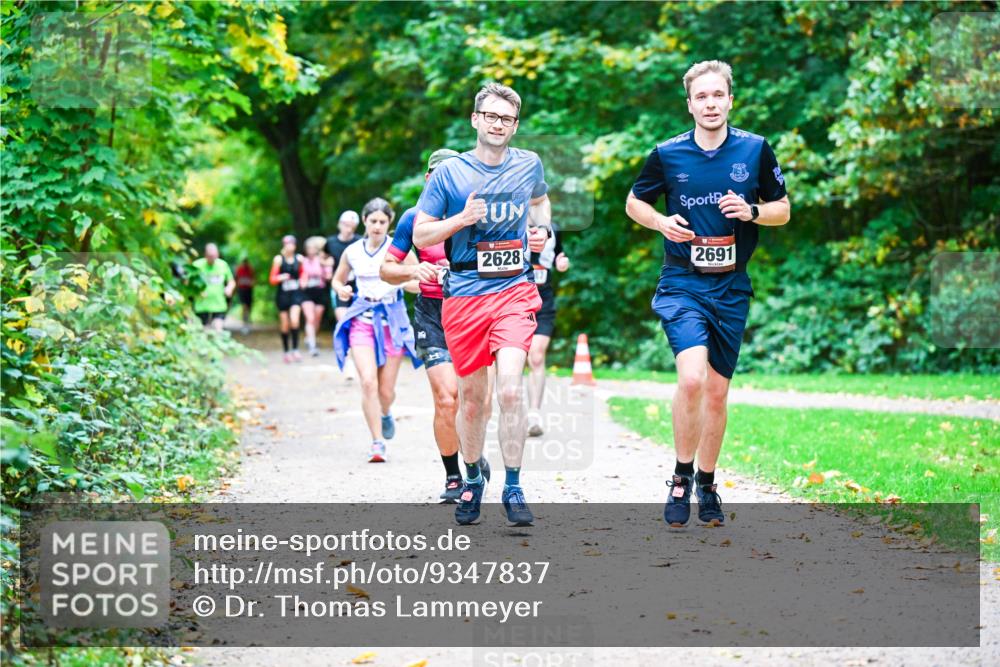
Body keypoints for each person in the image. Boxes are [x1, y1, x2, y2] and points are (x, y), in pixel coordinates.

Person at [624, 60, 790, 527]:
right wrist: (661, 222)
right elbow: (634, 202)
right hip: (682, 282)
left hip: (731, 285)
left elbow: (782, 209)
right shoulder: (667, 154)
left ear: (730, 100)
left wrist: (752, 211)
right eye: (702, 96)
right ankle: (680, 477)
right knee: (692, 379)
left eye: (718, 95)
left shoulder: (755, 149)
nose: (710, 103)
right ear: (690, 104)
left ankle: (707, 482)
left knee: (716, 393)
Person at [413, 82, 550, 527]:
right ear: (476, 120)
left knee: (509, 389)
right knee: (472, 400)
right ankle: (472, 478)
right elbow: (421, 233)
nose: (498, 124)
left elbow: (540, 201)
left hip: (514, 290)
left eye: (506, 119)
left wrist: (541, 231)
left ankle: (513, 485)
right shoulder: (450, 174)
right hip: (466, 296)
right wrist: (461, 220)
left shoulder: (529, 164)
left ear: (515, 125)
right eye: (491, 116)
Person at [381, 149, 493, 502]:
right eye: (440, 175)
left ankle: (473, 454)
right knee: (447, 398)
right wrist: (414, 270)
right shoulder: (413, 218)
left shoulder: (478, 214)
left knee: (478, 401)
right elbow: (386, 269)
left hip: (473, 311)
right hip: (432, 313)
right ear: (430, 179)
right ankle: (454, 477)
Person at [333, 198, 421, 463]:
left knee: (386, 391)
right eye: (373, 221)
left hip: (392, 321)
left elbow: (419, 280)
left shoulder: (400, 250)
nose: (378, 226)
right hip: (362, 320)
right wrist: (341, 289)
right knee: (368, 382)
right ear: (364, 221)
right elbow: (337, 279)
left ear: (389, 222)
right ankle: (377, 442)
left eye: (383, 221)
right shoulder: (352, 252)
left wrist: (403, 281)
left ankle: (385, 412)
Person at [525, 222, 570, 437]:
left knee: (536, 356)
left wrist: (561, 262)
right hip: (516, 299)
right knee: (513, 359)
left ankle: (534, 413)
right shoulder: (513, 224)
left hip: (543, 300)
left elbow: (558, 254)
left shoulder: (553, 228)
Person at [327, 211, 363, 376]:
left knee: (357, 324)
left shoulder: (360, 242)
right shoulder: (331, 242)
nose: (348, 229)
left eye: (352, 226)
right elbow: (323, 257)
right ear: (339, 224)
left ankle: (358, 360)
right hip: (339, 287)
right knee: (343, 322)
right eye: (346, 225)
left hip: (358, 288)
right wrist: (326, 266)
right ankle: (348, 361)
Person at [269, 235, 305, 363]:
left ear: (295, 245)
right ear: (284, 245)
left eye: (292, 244)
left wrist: (303, 281)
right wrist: (280, 277)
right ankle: (286, 351)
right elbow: (272, 279)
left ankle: (295, 349)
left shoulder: (299, 259)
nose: (290, 246)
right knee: (285, 325)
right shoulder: (278, 259)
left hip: (295, 293)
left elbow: (303, 273)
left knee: (295, 321)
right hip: (283, 295)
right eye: (287, 244)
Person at [300, 236, 334, 356]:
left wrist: (326, 269)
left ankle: (311, 337)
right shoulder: (302, 261)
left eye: (313, 248)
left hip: (320, 291)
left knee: (317, 318)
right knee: (310, 318)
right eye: (308, 248)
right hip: (307, 292)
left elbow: (329, 276)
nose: (311, 250)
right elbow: (299, 274)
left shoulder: (323, 261)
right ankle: (312, 345)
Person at [192, 243, 235, 332]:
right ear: (205, 255)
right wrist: (196, 291)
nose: (212, 259)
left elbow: (231, 281)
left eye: (214, 256)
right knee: (204, 331)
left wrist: (229, 288)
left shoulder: (223, 265)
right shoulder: (196, 265)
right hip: (201, 305)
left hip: (218, 304)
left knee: (218, 329)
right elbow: (188, 283)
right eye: (210, 256)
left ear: (218, 254)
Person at [234, 257, 255, 335]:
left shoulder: (250, 269)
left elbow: (253, 278)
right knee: (244, 306)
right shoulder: (239, 269)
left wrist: (252, 283)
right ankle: (244, 321)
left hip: (249, 290)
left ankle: (248, 318)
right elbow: (236, 279)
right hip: (242, 290)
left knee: (249, 306)